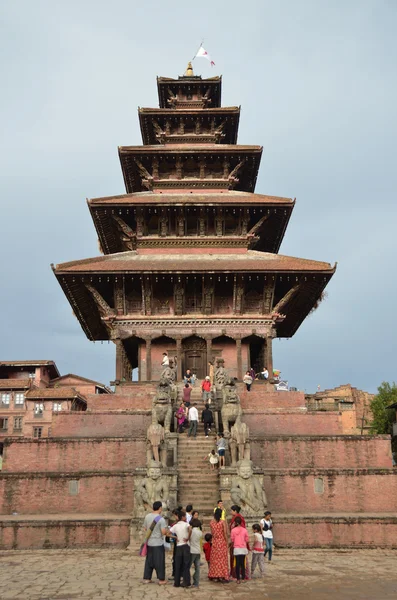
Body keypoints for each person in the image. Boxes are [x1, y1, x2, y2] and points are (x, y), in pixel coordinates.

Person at [142, 500, 169, 585]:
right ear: (160, 508)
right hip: (158, 543)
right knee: (159, 562)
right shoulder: (161, 519)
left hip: (149, 543)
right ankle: (161, 579)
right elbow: (164, 532)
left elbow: (145, 529)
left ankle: (147, 578)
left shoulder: (147, 516)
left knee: (149, 561)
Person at [169, 509, 191, 588]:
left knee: (178, 565)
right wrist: (188, 537)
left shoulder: (175, 525)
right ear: (183, 517)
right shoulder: (186, 524)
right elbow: (190, 529)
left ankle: (177, 582)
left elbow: (167, 533)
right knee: (186, 565)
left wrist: (174, 537)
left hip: (178, 546)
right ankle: (186, 581)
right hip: (185, 546)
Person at [208, 508, 229, 583]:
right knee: (222, 559)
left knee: (215, 560)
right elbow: (225, 534)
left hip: (215, 542)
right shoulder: (222, 522)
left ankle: (215, 575)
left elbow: (212, 533)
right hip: (221, 542)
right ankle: (222, 575)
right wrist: (227, 542)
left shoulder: (211, 523)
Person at [229, 505, 247, 581]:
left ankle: (237, 576)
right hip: (242, 546)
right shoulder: (236, 518)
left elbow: (233, 538)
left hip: (236, 545)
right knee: (241, 562)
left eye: (232, 510)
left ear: (235, 511)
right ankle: (241, 576)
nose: (231, 512)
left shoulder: (239, 519)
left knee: (237, 561)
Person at [189, 518, 203, 588]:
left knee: (188, 566)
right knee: (197, 567)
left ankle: (187, 580)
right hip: (198, 550)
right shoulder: (200, 532)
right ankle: (196, 582)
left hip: (192, 550)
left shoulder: (191, 531)